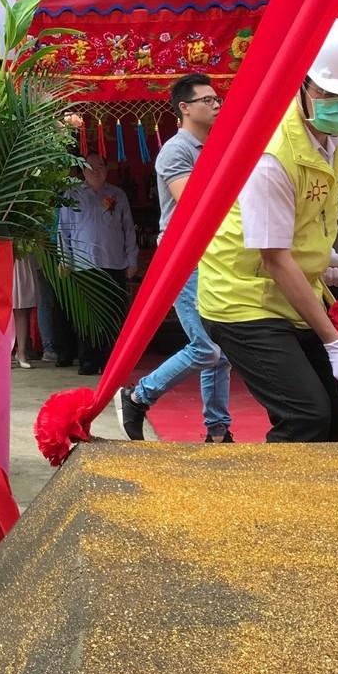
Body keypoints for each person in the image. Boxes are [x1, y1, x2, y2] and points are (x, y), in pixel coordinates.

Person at [198, 21, 338, 443]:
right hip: (242, 295)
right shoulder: (271, 153)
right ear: (301, 85)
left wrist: (326, 259)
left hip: (293, 290)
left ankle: (320, 505)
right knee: (305, 416)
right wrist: (333, 342)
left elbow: (310, 215)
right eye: (328, 94)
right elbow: (274, 258)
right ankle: (271, 507)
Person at [119, 74, 234, 443]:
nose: (215, 105)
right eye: (207, 100)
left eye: (217, 99)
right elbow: (195, 203)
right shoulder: (176, 150)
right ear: (184, 108)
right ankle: (139, 396)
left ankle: (218, 430)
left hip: (215, 251)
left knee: (222, 348)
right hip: (184, 255)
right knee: (206, 347)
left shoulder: (217, 146)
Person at [58, 152, 138, 375]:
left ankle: (111, 361)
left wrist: (132, 260)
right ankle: (88, 360)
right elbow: (62, 231)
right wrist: (65, 260)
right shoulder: (71, 194)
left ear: (107, 168)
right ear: (82, 170)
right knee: (86, 316)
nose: (96, 170)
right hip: (83, 265)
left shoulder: (117, 195)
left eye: (100, 165)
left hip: (114, 263)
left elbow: (129, 229)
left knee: (113, 315)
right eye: (90, 166)